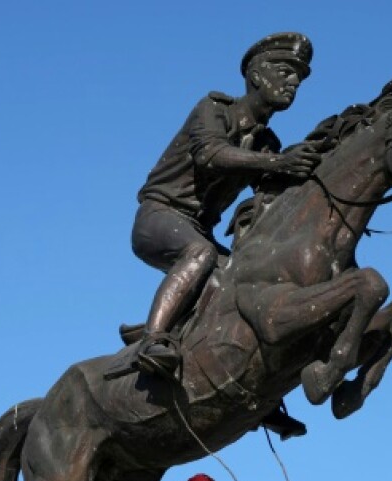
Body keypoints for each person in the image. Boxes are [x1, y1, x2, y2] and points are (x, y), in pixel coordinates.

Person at [127, 33, 318, 440]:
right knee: (198, 253)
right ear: (255, 75)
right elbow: (210, 154)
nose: (292, 84)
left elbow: (272, 192)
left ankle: (258, 394)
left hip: (199, 230)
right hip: (159, 216)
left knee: (241, 283)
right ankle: (153, 340)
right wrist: (280, 162)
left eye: (299, 79)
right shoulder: (214, 109)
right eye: (285, 72)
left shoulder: (267, 143)